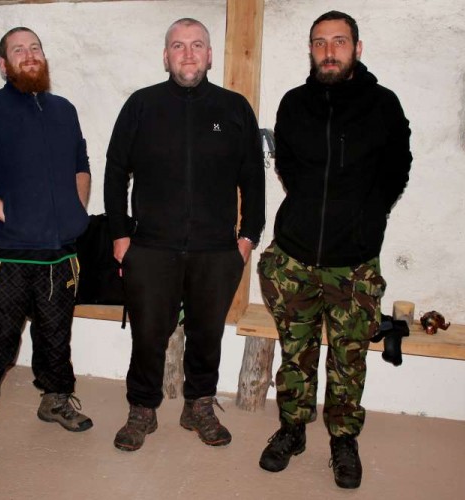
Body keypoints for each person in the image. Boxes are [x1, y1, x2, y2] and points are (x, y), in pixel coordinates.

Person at [257, 11, 412, 489]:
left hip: (354, 263)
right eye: (320, 42)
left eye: (339, 41)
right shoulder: (293, 103)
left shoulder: (383, 105)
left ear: (357, 49)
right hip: (294, 258)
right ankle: (292, 429)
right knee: (295, 352)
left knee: (349, 358)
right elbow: (287, 165)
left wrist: (365, 218)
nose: (329, 51)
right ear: (311, 50)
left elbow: (397, 168)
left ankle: (343, 439)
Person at [104, 18, 265, 452]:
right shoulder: (141, 105)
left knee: (207, 332)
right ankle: (142, 409)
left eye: (197, 45)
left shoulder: (233, 109)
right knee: (148, 333)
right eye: (179, 46)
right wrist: (120, 236)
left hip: (216, 248)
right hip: (151, 245)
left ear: (210, 55)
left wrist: (247, 237)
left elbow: (253, 177)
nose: (188, 54)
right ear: (166, 56)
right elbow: (116, 170)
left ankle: (199, 405)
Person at [0, 27, 93, 468]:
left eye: (35, 48)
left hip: (60, 257)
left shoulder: (64, 110)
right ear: (3, 64)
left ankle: (54, 399)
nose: (29, 55)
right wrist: (9, 214)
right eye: (18, 50)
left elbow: (80, 165)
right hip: (4, 257)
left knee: (56, 341)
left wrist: (76, 210)